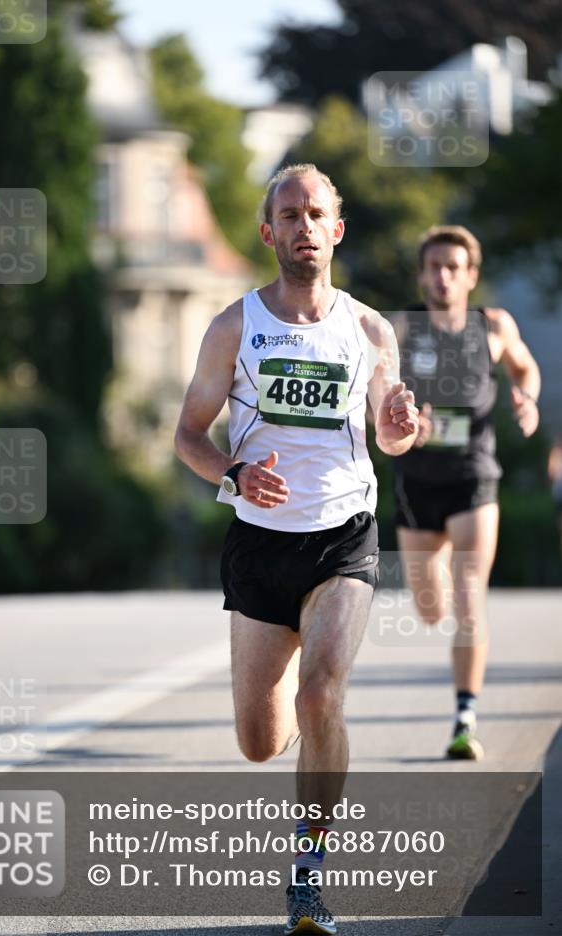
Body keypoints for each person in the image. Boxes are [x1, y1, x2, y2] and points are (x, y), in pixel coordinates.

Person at [174, 164, 419, 935]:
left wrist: (402, 426)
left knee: (321, 695)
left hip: (344, 535)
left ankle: (307, 876)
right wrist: (234, 473)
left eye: (316, 213)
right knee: (258, 741)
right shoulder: (233, 326)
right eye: (289, 214)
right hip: (258, 546)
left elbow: (389, 431)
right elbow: (187, 435)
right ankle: (294, 729)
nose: (304, 226)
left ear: (336, 230)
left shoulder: (371, 330)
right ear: (267, 231)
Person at [392, 225, 540, 760]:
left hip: (475, 475)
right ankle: (442, 565)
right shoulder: (400, 330)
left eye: (454, 267)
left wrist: (526, 396)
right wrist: (401, 415)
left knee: (469, 594)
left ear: (471, 276)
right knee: (430, 607)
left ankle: (464, 716)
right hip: (416, 481)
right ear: (421, 274)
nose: (443, 276)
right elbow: (375, 395)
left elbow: (525, 367)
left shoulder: (494, 325)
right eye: (434, 266)